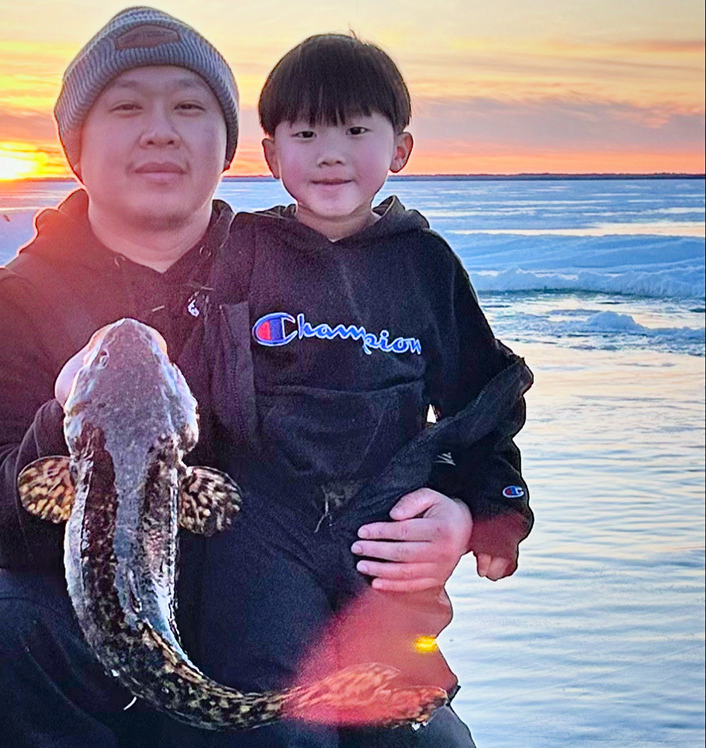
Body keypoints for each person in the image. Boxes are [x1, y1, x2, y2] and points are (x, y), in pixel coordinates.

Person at [0, 9, 476, 747]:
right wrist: (66, 416)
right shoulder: (8, 304)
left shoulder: (306, 269)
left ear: (229, 145)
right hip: (79, 628)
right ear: (74, 146)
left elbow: (397, 415)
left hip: (281, 607)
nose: (159, 131)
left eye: (189, 108)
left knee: (422, 736)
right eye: (127, 108)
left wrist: (456, 510)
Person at [162, 33, 534, 747]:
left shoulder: (424, 264)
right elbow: (192, 382)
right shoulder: (245, 251)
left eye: (356, 132)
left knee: (399, 713)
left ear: (400, 149)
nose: (330, 155)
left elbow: (481, 401)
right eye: (306, 135)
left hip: (382, 531)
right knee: (276, 714)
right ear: (272, 155)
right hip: (260, 526)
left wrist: (492, 510)